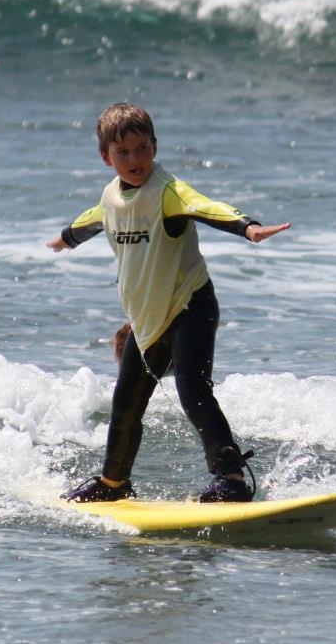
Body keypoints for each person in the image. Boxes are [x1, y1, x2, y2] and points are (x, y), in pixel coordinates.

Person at [47, 103, 290, 503]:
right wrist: (64, 238)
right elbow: (93, 218)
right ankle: (113, 483)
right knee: (125, 404)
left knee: (193, 391)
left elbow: (206, 207)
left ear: (155, 148)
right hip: (147, 320)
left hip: (190, 305)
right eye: (123, 152)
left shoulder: (168, 193)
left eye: (142, 149)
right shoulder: (110, 197)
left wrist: (249, 228)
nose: (134, 159)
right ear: (105, 156)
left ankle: (231, 478)